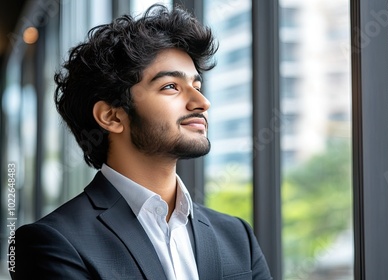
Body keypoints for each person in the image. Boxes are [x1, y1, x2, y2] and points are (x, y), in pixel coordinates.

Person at [10, 4, 272, 280]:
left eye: (197, 86)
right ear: (111, 116)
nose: (202, 103)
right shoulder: (52, 243)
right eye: (171, 86)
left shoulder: (237, 236)